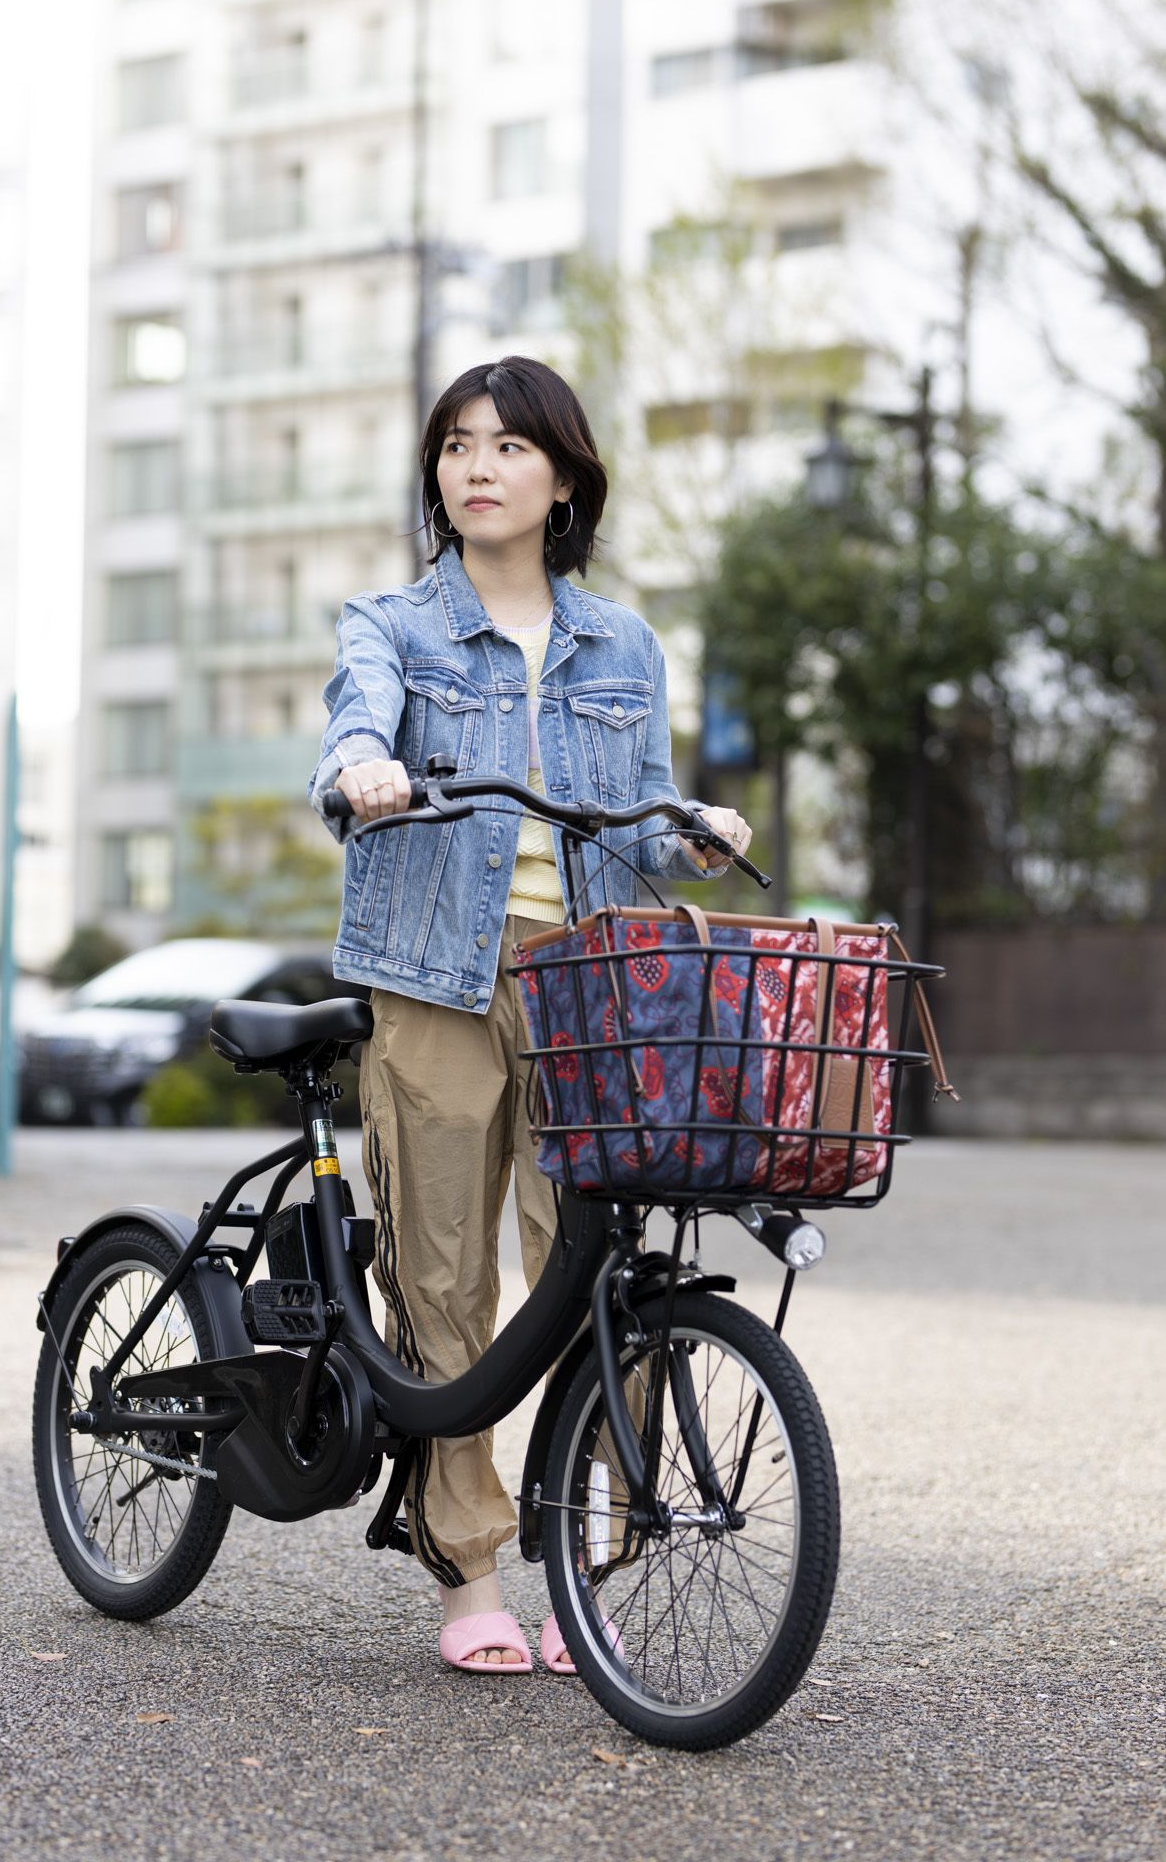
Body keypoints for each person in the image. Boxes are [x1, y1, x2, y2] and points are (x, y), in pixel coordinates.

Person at [310, 355, 752, 1674]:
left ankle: (590, 1567)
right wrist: (364, 769)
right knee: (445, 1272)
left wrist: (699, 830)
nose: (476, 467)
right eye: (454, 446)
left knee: (596, 1276)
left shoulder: (625, 643)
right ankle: (467, 1576)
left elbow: (649, 804)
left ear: (562, 476)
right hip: (434, 973)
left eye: (506, 446)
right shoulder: (389, 622)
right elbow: (351, 730)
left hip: (593, 987)